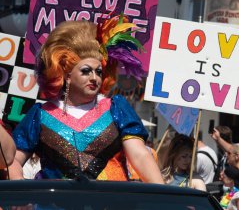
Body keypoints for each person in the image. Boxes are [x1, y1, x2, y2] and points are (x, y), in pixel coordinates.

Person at [9, 18, 163, 183]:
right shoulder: (40, 114)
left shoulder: (116, 108)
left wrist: (165, 195)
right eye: (86, 71)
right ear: (67, 75)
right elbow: (12, 160)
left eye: (98, 72)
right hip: (54, 204)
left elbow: (139, 155)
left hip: (109, 203)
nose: (94, 78)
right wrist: (20, 186)